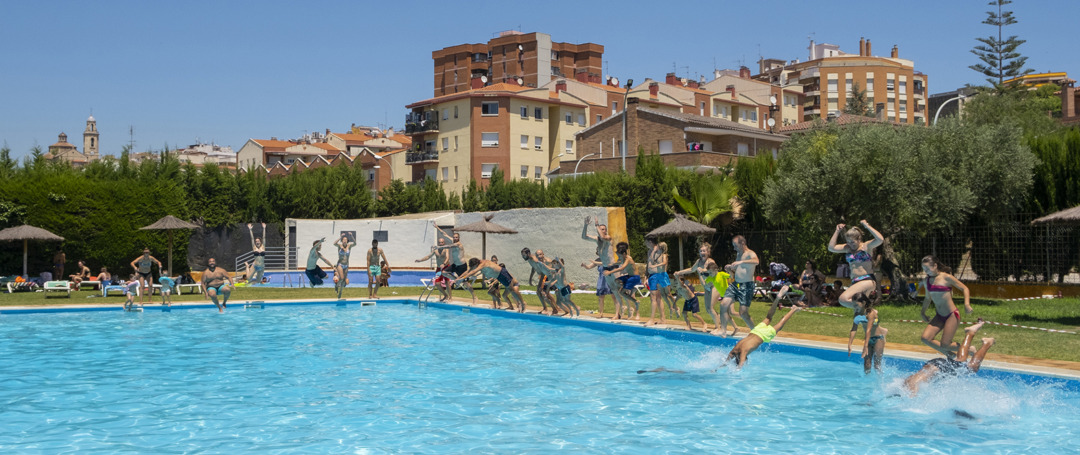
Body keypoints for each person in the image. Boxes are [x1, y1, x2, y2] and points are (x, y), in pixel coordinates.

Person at [904, 319, 994, 395]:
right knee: (961, 361)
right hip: (935, 365)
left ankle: (986, 343)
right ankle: (970, 333)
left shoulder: (910, 390)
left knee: (972, 368)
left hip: (939, 367)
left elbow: (914, 391)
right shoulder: (906, 385)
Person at [724, 287, 800, 369]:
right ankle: (777, 298)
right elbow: (725, 363)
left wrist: (738, 369)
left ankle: (793, 310)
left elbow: (741, 364)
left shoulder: (743, 353)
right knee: (768, 317)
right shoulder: (734, 351)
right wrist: (716, 369)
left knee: (780, 324)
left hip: (763, 335)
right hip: (756, 331)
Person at [918, 255, 974, 356]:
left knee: (945, 344)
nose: (925, 271)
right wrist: (923, 312)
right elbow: (927, 298)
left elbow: (965, 288)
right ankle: (951, 355)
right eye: (923, 269)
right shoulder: (927, 280)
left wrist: (967, 304)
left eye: (927, 268)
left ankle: (969, 349)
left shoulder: (946, 277)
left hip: (951, 315)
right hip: (939, 316)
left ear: (935, 266)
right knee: (925, 338)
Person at [827, 220, 884, 309]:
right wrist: (837, 231)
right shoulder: (847, 248)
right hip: (855, 281)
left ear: (859, 239)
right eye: (848, 242)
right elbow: (831, 248)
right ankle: (871, 318)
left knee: (843, 299)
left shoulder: (866, 246)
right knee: (859, 314)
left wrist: (867, 226)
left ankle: (869, 310)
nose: (850, 244)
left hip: (866, 279)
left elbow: (880, 239)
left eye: (852, 242)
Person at [582, 216, 627, 318]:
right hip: (606, 269)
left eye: (603, 229)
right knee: (613, 292)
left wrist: (596, 225)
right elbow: (584, 237)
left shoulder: (608, 238)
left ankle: (619, 312)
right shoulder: (598, 239)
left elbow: (602, 237)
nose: (601, 231)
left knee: (616, 293)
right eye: (600, 229)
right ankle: (619, 311)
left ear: (605, 231)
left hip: (614, 268)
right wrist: (585, 225)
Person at [718, 235, 760, 337]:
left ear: (742, 243)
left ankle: (756, 333)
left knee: (743, 313)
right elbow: (737, 271)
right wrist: (730, 269)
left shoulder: (750, 253)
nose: (734, 248)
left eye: (735, 245)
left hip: (746, 285)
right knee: (723, 304)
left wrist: (741, 262)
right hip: (735, 284)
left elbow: (756, 261)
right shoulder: (738, 254)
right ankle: (723, 330)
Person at [454, 257, 525, 312]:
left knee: (512, 289)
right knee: (512, 289)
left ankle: (522, 303)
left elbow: (474, 271)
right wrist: (458, 279)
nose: (473, 268)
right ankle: (521, 303)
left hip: (502, 274)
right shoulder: (478, 264)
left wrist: (463, 278)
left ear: (476, 264)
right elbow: (468, 271)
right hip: (499, 276)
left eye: (474, 266)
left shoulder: (483, 264)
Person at [433, 223, 477, 304]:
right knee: (444, 272)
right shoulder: (453, 241)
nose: (455, 238)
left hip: (461, 266)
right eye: (454, 237)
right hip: (455, 265)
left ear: (459, 238)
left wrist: (439, 247)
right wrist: (437, 227)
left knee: (466, 284)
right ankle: (458, 280)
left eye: (456, 237)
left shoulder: (458, 244)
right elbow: (445, 234)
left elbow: (449, 246)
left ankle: (474, 297)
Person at [848, 294, 888, 374]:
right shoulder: (857, 313)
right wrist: (850, 344)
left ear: (863, 303)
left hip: (878, 339)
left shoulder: (870, 313)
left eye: (856, 304)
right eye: (853, 304)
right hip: (868, 339)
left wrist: (865, 346)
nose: (854, 306)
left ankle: (880, 381)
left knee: (877, 365)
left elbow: (868, 330)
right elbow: (854, 329)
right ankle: (867, 383)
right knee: (867, 364)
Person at [605, 242, 640, 320]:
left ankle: (635, 301)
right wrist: (610, 264)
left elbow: (621, 268)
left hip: (635, 278)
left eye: (620, 255)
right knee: (616, 281)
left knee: (621, 292)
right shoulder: (623, 258)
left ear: (624, 253)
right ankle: (627, 289)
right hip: (629, 276)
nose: (619, 257)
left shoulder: (628, 258)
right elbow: (618, 262)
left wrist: (610, 272)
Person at [645, 238, 675, 325]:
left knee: (654, 297)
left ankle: (652, 319)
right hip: (652, 276)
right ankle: (662, 319)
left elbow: (662, 264)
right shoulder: (649, 252)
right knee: (657, 298)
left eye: (646, 242)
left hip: (657, 276)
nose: (645, 244)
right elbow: (648, 265)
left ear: (650, 242)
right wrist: (646, 276)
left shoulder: (660, 252)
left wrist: (654, 252)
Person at [525, 248, 559, 315]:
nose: (539, 256)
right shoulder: (536, 261)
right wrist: (530, 278)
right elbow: (534, 268)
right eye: (537, 255)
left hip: (552, 278)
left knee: (557, 294)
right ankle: (553, 308)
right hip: (545, 278)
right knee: (544, 294)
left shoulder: (548, 261)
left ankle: (555, 308)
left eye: (540, 254)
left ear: (543, 254)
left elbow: (550, 270)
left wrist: (543, 281)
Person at [333, 233, 356, 299]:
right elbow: (334, 243)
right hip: (340, 264)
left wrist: (351, 236)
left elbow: (355, 243)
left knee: (344, 281)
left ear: (347, 241)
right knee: (342, 278)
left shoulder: (349, 246)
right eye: (343, 239)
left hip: (346, 265)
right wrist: (340, 237)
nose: (344, 240)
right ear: (342, 240)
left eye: (346, 239)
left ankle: (340, 292)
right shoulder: (339, 246)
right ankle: (337, 286)